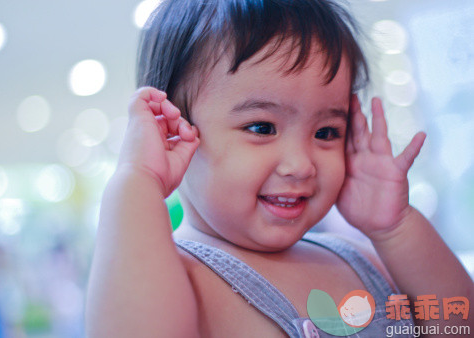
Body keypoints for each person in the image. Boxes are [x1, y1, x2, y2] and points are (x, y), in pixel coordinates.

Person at [85, 0, 474, 337]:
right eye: (261, 127)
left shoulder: (362, 258)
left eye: (326, 132)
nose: (301, 164)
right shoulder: (184, 277)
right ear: (172, 129)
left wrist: (396, 228)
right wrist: (138, 181)